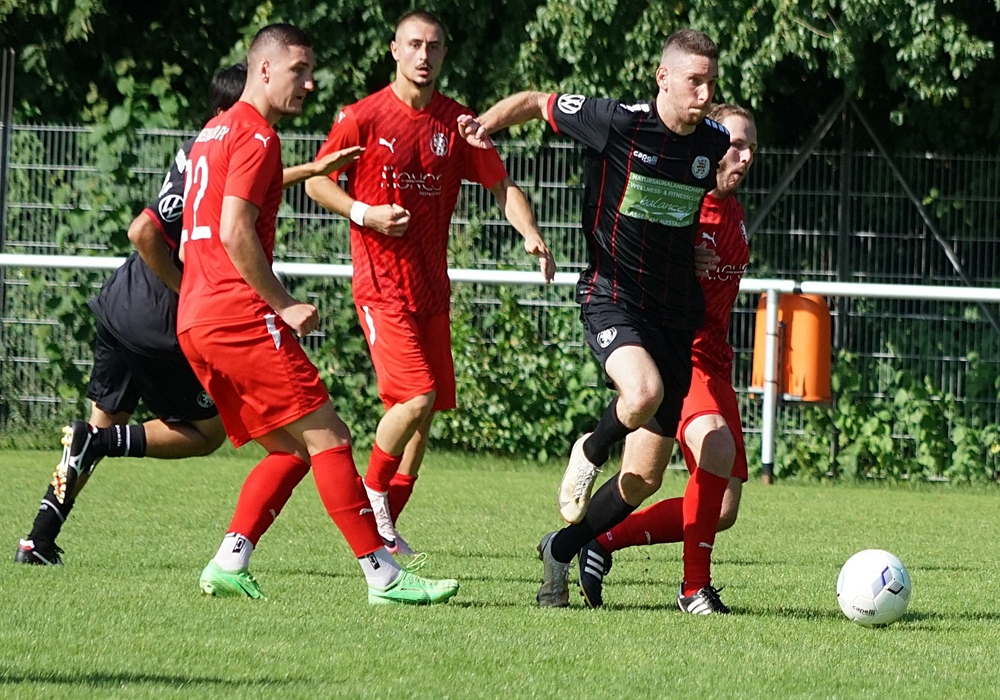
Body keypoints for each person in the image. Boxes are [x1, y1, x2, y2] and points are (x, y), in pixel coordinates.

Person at [13, 64, 356, 567]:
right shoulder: (233, 141)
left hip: (119, 303)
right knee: (207, 433)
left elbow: (243, 188)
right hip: (162, 313)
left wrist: (309, 170)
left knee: (97, 431)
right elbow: (144, 231)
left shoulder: (200, 149)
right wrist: (188, 285)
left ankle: (38, 539)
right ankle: (101, 445)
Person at [176, 23, 458, 605]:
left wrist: (310, 171)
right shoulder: (256, 134)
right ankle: (383, 574)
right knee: (331, 437)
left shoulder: (213, 132)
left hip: (195, 317)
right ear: (263, 69)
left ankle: (230, 560)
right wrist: (283, 303)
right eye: (298, 70)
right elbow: (234, 231)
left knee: (291, 449)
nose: (309, 83)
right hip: (238, 315)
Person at [459, 29, 731, 608]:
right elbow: (536, 101)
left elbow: (678, 217)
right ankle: (590, 449)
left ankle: (561, 549)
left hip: (675, 316)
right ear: (663, 78)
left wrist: (694, 251)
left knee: (643, 480)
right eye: (695, 81)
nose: (706, 95)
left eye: (712, 82)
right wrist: (484, 125)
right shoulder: (618, 122)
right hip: (613, 297)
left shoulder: (712, 142)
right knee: (642, 393)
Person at [305, 10, 555, 555]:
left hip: (431, 290)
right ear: (394, 50)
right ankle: (372, 495)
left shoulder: (457, 123)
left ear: (444, 54)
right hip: (381, 286)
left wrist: (531, 234)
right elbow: (317, 183)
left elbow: (501, 185)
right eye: (414, 44)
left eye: (434, 46)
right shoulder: (362, 117)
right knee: (417, 395)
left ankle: (384, 534)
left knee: (425, 413)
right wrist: (365, 213)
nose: (424, 55)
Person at [578, 103, 758, 614]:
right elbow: (637, 252)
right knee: (715, 448)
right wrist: (678, 258)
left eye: (751, 147)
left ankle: (594, 541)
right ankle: (693, 588)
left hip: (716, 363)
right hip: (682, 353)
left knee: (704, 503)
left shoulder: (734, 212)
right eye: (735, 145)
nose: (744, 156)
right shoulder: (683, 203)